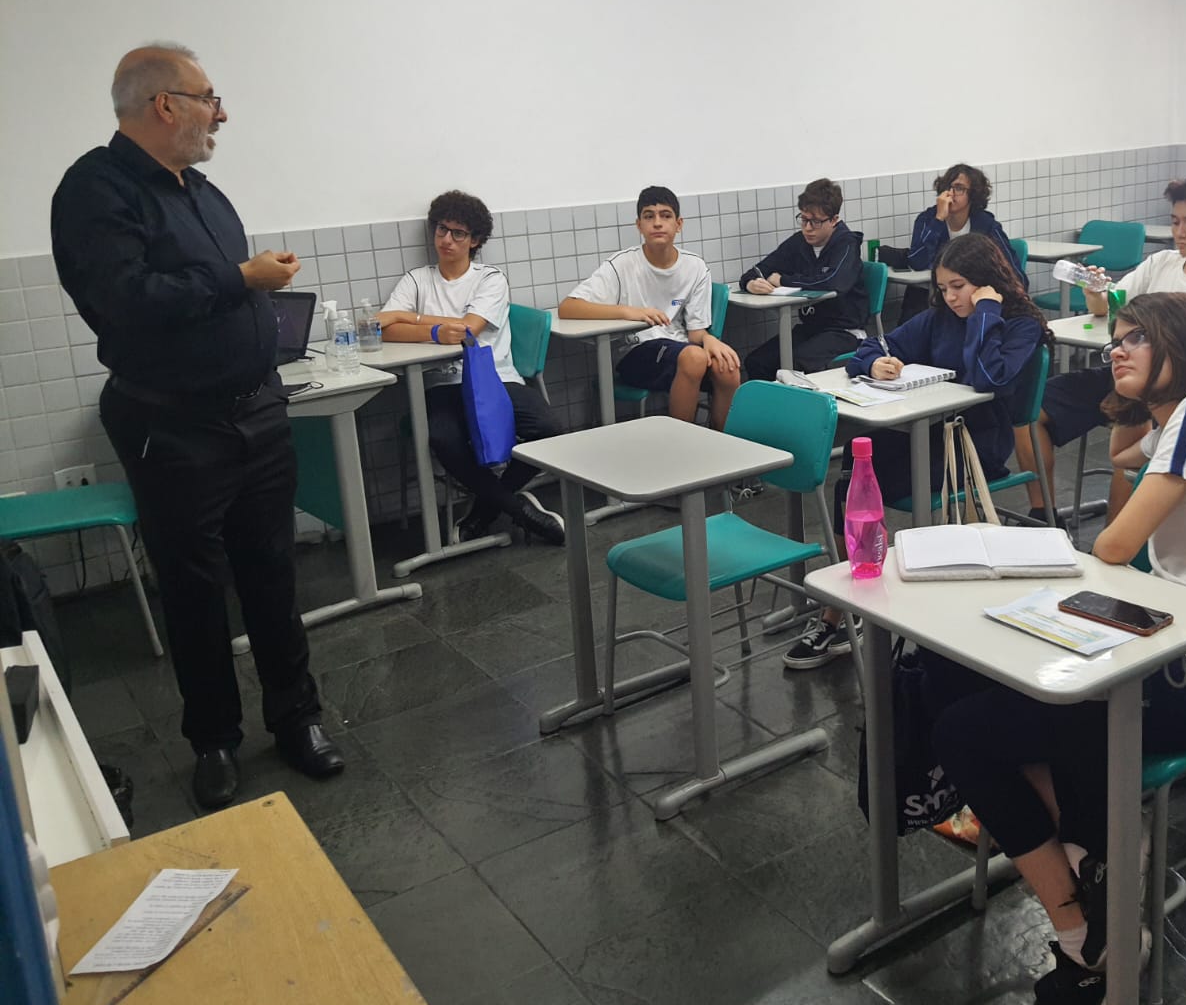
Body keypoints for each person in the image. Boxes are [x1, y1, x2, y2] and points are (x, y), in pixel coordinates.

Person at [932, 292, 1186, 1005]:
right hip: (1174, 647)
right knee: (988, 692)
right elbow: (1126, 454)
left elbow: (1116, 544)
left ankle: (1093, 920)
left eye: (1136, 340)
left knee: (970, 728)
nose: (1115, 351)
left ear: (1184, 349)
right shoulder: (1184, 417)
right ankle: (1096, 877)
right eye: (1114, 342)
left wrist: (1145, 400)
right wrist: (1136, 398)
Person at [50, 43, 341, 810]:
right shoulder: (95, 190)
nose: (222, 113)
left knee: (273, 574)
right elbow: (128, 300)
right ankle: (213, 739)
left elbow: (209, 297)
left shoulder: (203, 193)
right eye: (210, 97)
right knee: (193, 589)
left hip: (255, 413)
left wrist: (250, 295)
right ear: (165, 104)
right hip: (173, 425)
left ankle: (297, 719)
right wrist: (244, 278)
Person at [783, 234, 1048, 669]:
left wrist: (986, 312)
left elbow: (987, 376)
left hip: (974, 444)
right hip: (927, 432)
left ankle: (858, 610)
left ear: (987, 282)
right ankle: (850, 604)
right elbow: (873, 345)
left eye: (959, 286)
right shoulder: (940, 318)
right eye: (943, 288)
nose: (951, 297)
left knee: (872, 479)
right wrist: (873, 363)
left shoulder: (1020, 325)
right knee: (855, 474)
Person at [1017, 170, 1186, 524]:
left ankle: (1121, 536)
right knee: (1029, 409)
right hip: (1129, 373)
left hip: (1181, 392)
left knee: (1133, 439)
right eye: (1175, 221)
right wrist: (1095, 293)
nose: (1180, 232)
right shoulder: (1162, 263)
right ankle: (1044, 515)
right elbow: (1109, 309)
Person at [378, 190, 564, 545]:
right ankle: (518, 509)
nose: (446, 239)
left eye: (458, 233)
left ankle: (485, 511)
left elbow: (467, 330)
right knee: (443, 439)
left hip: (495, 378)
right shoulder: (417, 280)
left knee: (550, 429)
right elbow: (384, 328)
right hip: (441, 383)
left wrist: (410, 318)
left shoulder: (490, 279)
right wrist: (435, 331)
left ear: (475, 240)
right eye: (441, 229)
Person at [558, 186, 741, 430]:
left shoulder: (695, 267)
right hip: (634, 352)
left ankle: (722, 439)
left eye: (665, 215)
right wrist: (628, 312)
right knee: (694, 358)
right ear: (639, 225)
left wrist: (709, 340)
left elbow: (696, 332)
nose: (657, 223)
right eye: (649, 216)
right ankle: (683, 442)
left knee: (727, 366)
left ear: (678, 224)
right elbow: (568, 307)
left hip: (681, 349)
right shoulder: (622, 264)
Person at [739, 177, 868, 379]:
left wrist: (783, 280)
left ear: (834, 220)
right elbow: (758, 270)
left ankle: (800, 400)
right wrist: (751, 283)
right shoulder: (799, 243)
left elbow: (833, 282)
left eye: (816, 222)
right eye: (804, 219)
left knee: (798, 361)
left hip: (844, 331)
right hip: (810, 328)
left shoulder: (847, 244)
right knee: (757, 362)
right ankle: (772, 401)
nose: (808, 228)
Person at [877, 164, 1026, 325]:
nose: (951, 193)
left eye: (959, 188)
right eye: (947, 187)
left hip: (972, 298)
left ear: (973, 194)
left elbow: (1013, 271)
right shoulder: (927, 219)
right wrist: (938, 220)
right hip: (928, 297)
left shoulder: (986, 224)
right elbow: (917, 261)